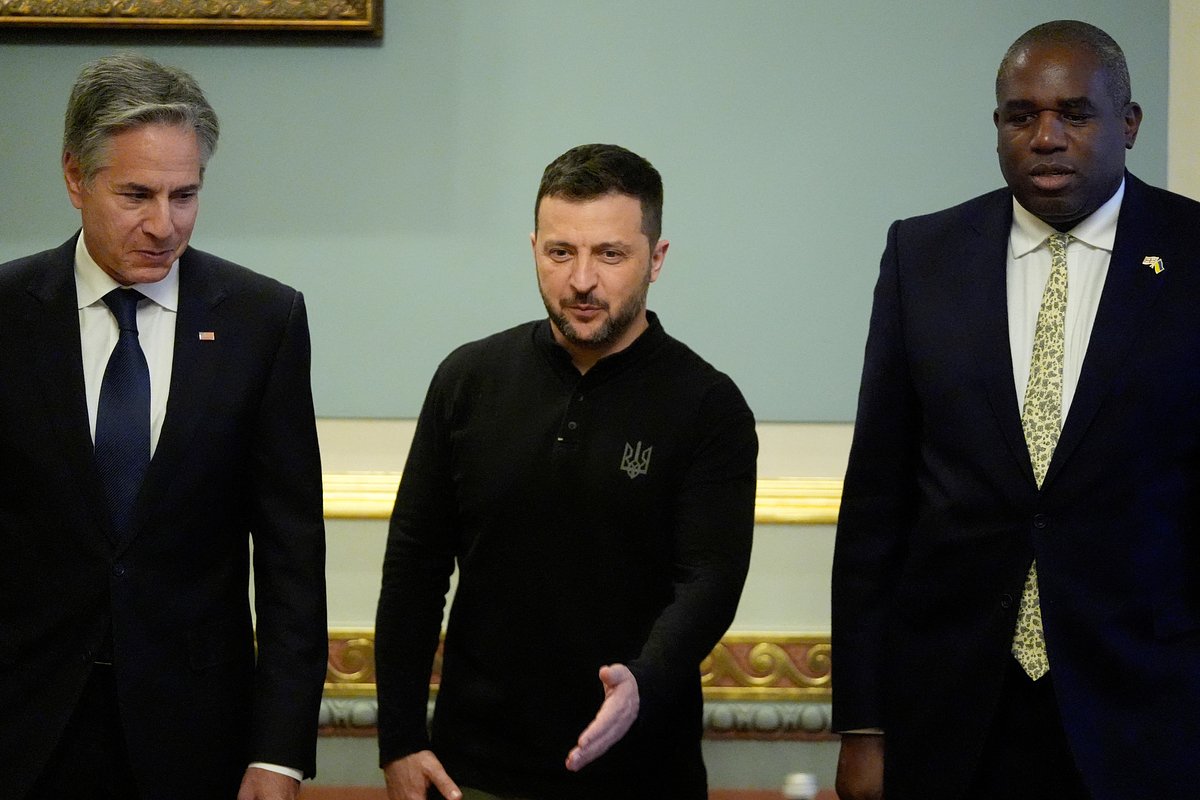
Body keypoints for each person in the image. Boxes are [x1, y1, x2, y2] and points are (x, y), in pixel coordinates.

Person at [832, 19, 1200, 800]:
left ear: (1129, 125)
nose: (1046, 137)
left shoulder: (1193, 253)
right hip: (955, 712)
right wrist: (864, 724)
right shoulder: (921, 257)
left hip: (1150, 709)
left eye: (1076, 113)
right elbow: (877, 504)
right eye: (1021, 115)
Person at [375, 143, 757, 799]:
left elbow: (710, 580)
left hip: (642, 772)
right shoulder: (468, 380)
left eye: (610, 254)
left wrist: (645, 678)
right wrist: (401, 737)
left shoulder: (706, 405)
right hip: (473, 770)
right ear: (534, 250)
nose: (582, 280)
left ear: (655, 259)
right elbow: (415, 566)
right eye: (561, 253)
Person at [0, 53, 328, 800]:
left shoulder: (261, 322)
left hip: (196, 740)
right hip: (23, 733)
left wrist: (279, 753)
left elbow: (291, 561)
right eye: (137, 194)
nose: (164, 225)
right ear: (75, 178)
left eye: (186, 195)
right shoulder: (8, 315)